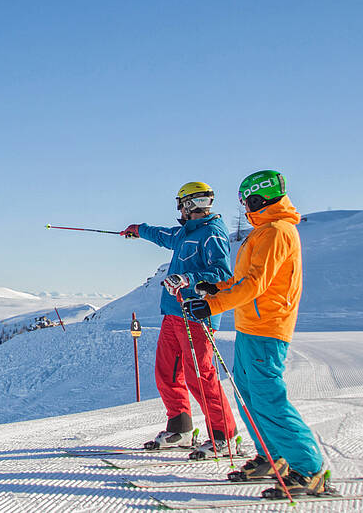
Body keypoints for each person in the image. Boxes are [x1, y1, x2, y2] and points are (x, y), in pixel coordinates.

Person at [181, 170, 336, 498]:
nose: (244, 207)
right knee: (248, 396)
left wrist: (214, 306)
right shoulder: (265, 230)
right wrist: (216, 288)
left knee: (268, 398)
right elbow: (245, 279)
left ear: (256, 198)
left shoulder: (276, 232)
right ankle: (272, 457)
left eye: (245, 200)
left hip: (268, 329)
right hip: (251, 327)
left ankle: (309, 469)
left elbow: (256, 284)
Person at [122, 182, 238, 459]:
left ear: (186, 205)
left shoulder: (212, 234)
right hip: (174, 313)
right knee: (167, 373)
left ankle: (224, 436)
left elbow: (222, 274)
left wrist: (188, 279)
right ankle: (181, 428)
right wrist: (138, 229)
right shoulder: (188, 232)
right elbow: (163, 235)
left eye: (181, 204)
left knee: (201, 375)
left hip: (196, 314)